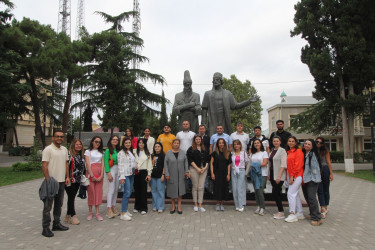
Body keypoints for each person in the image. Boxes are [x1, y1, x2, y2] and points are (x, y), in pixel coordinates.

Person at [41, 130, 69, 237]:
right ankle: (45, 228)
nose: (59, 138)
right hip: (51, 181)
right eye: (57, 136)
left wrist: (67, 177)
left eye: (61, 137)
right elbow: (44, 165)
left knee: (59, 204)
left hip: (61, 181)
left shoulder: (64, 149)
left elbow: (66, 163)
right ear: (53, 137)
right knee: (48, 206)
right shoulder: (48, 149)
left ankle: (56, 223)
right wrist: (48, 180)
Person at [164, 139, 189, 214]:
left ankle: (179, 207)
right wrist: (167, 174)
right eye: (175, 143)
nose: (176, 144)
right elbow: (165, 164)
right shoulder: (168, 153)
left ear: (179, 144)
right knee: (172, 191)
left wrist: (186, 171)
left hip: (181, 175)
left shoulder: (182, 152)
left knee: (180, 191)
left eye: (178, 143)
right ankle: (172, 206)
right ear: (172, 144)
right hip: (171, 175)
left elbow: (186, 163)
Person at [302, 139, 323, 226]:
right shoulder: (305, 154)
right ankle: (312, 213)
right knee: (307, 197)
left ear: (312, 146)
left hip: (312, 179)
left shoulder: (312, 155)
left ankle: (317, 218)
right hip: (305, 179)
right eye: (305, 143)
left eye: (309, 144)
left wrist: (313, 178)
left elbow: (315, 169)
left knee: (311, 198)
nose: (306, 145)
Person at [64, 138, 85, 226]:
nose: (79, 146)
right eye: (77, 144)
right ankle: (73, 216)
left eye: (80, 144)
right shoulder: (69, 154)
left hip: (77, 179)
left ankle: (68, 215)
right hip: (70, 179)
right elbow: (66, 165)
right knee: (71, 196)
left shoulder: (80, 155)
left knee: (71, 197)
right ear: (73, 145)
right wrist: (67, 176)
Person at [284, 136, 305, 223]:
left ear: (296, 143)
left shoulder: (298, 151)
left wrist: (292, 176)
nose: (291, 143)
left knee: (290, 193)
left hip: (297, 176)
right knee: (295, 194)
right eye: (289, 141)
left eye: (293, 141)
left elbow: (298, 165)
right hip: (290, 175)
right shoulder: (288, 152)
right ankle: (300, 212)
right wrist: (287, 176)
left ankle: (292, 213)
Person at [187, 135, 209, 212]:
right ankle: (195, 204)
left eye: (199, 139)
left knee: (201, 187)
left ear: (201, 140)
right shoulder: (191, 149)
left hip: (203, 170)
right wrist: (197, 169)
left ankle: (200, 204)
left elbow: (207, 160)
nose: (198, 140)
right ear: (194, 140)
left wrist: (205, 168)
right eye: (196, 139)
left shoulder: (204, 148)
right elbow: (190, 160)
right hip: (194, 169)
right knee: (195, 187)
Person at [84, 136, 105, 221]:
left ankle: (97, 212)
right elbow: (88, 164)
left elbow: (103, 163)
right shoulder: (88, 151)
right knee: (91, 192)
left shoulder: (102, 152)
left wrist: (101, 175)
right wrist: (92, 175)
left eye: (99, 142)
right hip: (91, 173)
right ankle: (90, 212)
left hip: (99, 172)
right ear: (92, 142)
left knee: (98, 192)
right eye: (96, 141)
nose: (97, 143)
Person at [267, 136, 287, 219]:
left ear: (280, 142)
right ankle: (279, 210)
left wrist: (279, 176)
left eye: (277, 141)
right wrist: (268, 174)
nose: (275, 142)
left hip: (278, 175)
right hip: (272, 174)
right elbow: (270, 163)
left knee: (275, 193)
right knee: (276, 193)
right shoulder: (272, 151)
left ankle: (281, 211)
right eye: (274, 141)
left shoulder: (282, 151)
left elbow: (283, 164)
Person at [210, 138, 232, 211]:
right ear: (217, 144)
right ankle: (217, 203)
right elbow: (211, 164)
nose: (221, 144)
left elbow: (229, 164)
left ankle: (222, 204)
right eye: (220, 143)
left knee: (224, 188)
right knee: (217, 188)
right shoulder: (214, 153)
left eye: (222, 143)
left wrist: (228, 174)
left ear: (224, 144)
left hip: (225, 173)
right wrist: (212, 173)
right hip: (217, 173)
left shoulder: (228, 153)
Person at [248, 139, 269, 216]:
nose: (256, 144)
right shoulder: (252, 154)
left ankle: (263, 207)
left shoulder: (264, 153)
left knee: (260, 190)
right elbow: (249, 163)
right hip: (254, 174)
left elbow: (265, 163)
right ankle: (258, 206)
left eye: (258, 143)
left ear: (260, 144)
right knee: (256, 191)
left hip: (262, 174)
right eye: (255, 143)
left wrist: (255, 165)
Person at [118, 137, 136, 221]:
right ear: (123, 144)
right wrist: (121, 176)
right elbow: (120, 165)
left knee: (129, 192)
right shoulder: (121, 153)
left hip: (131, 174)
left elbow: (133, 162)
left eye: (129, 142)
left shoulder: (130, 152)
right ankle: (123, 213)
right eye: (126, 143)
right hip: (125, 175)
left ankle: (125, 209)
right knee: (126, 192)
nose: (128, 144)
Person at [133, 138, 152, 214]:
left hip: (144, 173)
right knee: (136, 190)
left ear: (145, 144)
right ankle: (136, 207)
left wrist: (149, 174)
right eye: (139, 143)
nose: (141, 144)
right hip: (136, 172)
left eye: (142, 143)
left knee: (144, 190)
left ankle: (144, 208)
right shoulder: (134, 152)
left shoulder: (148, 153)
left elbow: (150, 165)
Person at [316, 137, 333, 218]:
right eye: (317, 142)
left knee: (326, 189)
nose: (318, 144)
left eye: (320, 142)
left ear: (323, 143)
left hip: (325, 169)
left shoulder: (325, 151)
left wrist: (331, 173)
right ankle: (322, 207)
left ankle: (325, 206)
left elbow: (328, 162)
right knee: (319, 189)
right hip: (317, 171)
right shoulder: (314, 151)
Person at [104, 135, 121, 219]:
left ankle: (113, 206)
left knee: (116, 189)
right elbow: (106, 162)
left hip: (118, 170)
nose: (115, 141)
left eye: (116, 139)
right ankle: (109, 209)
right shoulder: (108, 150)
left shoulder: (118, 150)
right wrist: (108, 173)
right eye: (113, 139)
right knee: (111, 189)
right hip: (111, 169)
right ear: (110, 141)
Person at [231, 139, 249, 212]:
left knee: (240, 188)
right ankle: (237, 204)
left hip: (241, 171)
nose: (236, 146)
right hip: (234, 171)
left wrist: (246, 172)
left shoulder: (243, 153)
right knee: (234, 188)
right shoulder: (232, 153)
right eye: (235, 144)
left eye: (237, 144)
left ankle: (241, 204)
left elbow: (248, 162)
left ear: (240, 145)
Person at [150, 142, 166, 213]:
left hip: (160, 176)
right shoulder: (152, 156)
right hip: (153, 176)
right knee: (153, 191)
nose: (157, 148)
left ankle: (160, 207)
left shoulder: (163, 156)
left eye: (158, 146)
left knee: (160, 191)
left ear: (161, 147)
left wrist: (163, 175)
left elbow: (165, 166)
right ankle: (155, 206)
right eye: (155, 147)